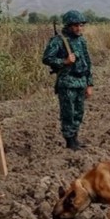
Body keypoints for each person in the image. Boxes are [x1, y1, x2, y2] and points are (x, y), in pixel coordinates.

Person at [42, 10, 93, 150]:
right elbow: (47, 58)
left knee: (78, 112)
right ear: (69, 25)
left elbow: (88, 63)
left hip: (81, 81)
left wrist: (90, 84)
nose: (79, 28)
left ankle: (75, 139)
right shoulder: (59, 40)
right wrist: (64, 61)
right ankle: (70, 142)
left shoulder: (81, 40)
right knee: (68, 113)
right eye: (76, 25)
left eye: (81, 25)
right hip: (67, 83)